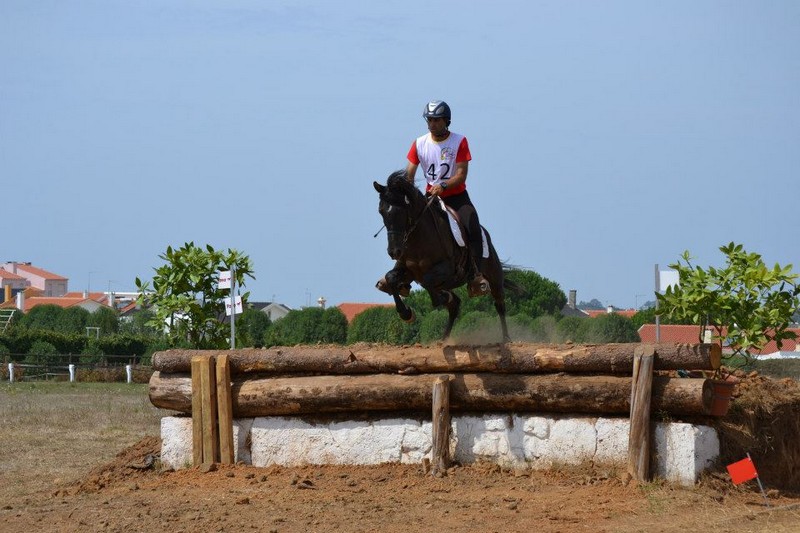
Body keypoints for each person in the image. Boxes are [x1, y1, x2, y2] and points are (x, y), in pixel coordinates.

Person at [405, 100, 490, 297]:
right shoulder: (419, 143)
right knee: (406, 226)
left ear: (446, 121)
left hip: (456, 197)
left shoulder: (459, 141)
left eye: (436, 120)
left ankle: (477, 276)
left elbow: (461, 174)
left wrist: (443, 185)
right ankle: (400, 272)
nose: (432, 124)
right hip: (431, 199)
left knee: (472, 225)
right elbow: (409, 174)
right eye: (429, 120)